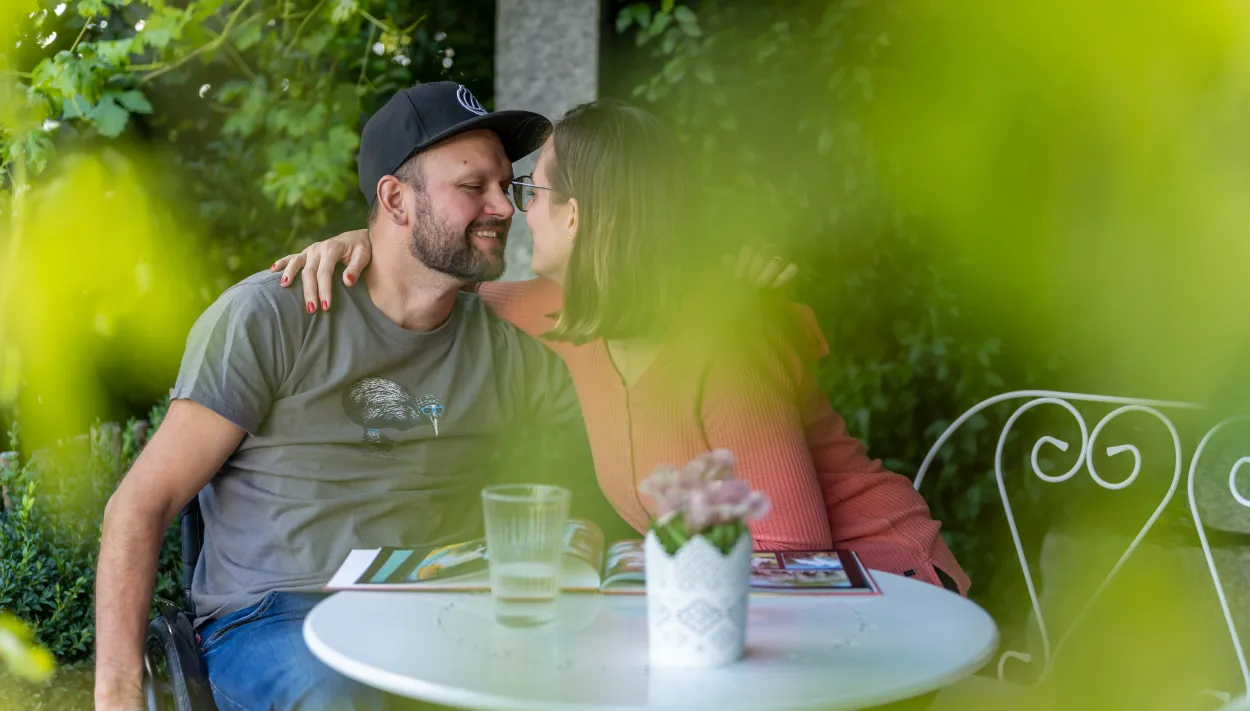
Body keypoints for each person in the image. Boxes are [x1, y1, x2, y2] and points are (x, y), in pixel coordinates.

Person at [273, 100, 971, 595]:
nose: (515, 209)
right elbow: (426, 289)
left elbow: (790, 553)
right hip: (739, 600)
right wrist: (367, 242)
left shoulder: (723, 337)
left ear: (577, 215)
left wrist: (638, 567)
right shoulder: (555, 312)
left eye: (531, 190)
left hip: (881, 588)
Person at [94, 82, 581, 711]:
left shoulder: (513, 357)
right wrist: (117, 694)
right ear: (395, 198)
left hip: (439, 615)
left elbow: (577, 511)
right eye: (472, 187)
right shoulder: (272, 316)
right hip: (275, 619)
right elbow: (140, 505)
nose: (504, 206)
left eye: (505, 185)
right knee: (340, 695)